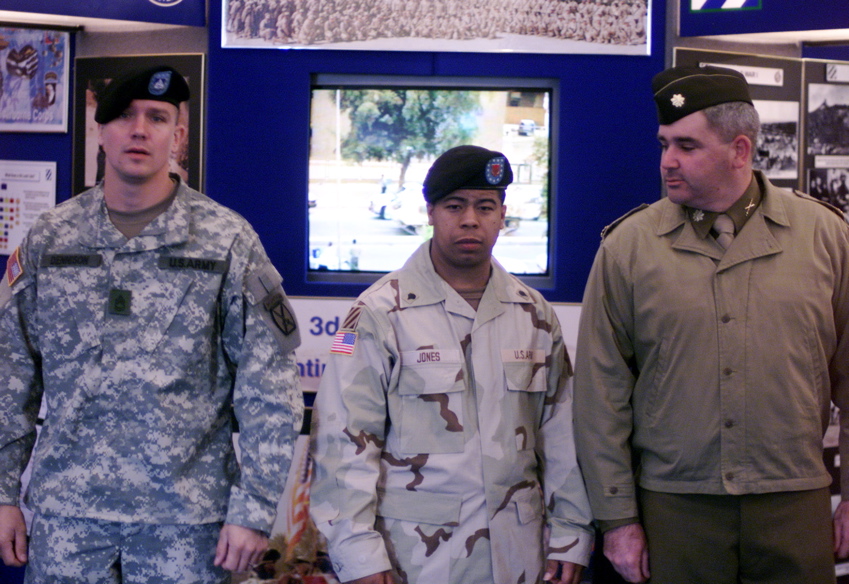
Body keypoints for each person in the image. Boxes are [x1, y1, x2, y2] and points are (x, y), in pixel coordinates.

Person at [0, 65, 304, 583]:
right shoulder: (52, 237)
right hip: (68, 519)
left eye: (157, 118)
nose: (139, 130)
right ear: (100, 130)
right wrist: (3, 491)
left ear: (178, 136)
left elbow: (269, 385)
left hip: (185, 525)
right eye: (123, 116)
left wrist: (253, 509)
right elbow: (10, 372)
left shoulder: (226, 240)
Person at [573, 64, 849, 584]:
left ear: (740, 150)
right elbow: (599, 394)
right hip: (676, 508)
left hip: (792, 502)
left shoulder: (824, 237)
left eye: (687, 146)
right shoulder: (630, 248)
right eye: (663, 144)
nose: (667, 161)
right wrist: (617, 518)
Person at [309, 145, 594, 584]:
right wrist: (359, 555)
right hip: (417, 558)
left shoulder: (533, 314)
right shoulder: (379, 313)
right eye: (454, 206)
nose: (470, 220)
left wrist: (571, 532)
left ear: (502, 215)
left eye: (485, 206)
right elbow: (342, 440)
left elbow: (560, 435)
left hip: (519, 556)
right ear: (430, 212)